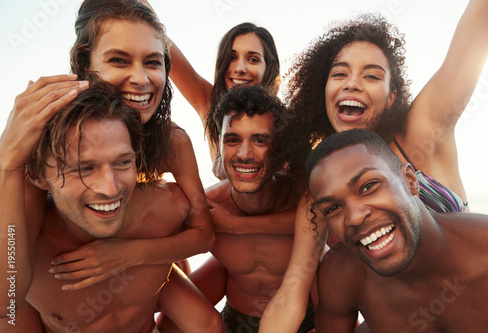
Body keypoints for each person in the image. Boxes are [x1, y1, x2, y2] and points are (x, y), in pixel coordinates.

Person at [260, 1, 488, 331]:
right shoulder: (318, 191)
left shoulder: (422, 130)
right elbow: (292, 292)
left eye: (371, 75)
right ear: (325, 92)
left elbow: (485, 15)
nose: (352, 83)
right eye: (339, 73)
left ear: (391, 97)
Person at [0, 80, 223, 333]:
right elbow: (4, 304)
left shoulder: (166, 210)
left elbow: (205, 237)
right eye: (84, 168)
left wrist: (129, 254)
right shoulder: (24, 249)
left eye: (122, 163)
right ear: (38, 176)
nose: (111, 188)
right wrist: (7, 165)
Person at [40, 0, 214, 290]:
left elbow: (205, 235)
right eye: (119, 60)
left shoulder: (173, 141)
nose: (140, 79)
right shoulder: (53, 137)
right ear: (85, 64)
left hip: (140, 271)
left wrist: (127, 255)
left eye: (152, 62)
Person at [306, 129, 488, 332]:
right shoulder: (342, 275)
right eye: (333, 208)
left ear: (409, 180)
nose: (354, 217)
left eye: (368, 186)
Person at [157, 85, 314, 332]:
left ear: (280, 147)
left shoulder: (302, 199)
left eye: (260, 140)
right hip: (237, 322)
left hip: (309, 320)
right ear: (219, 146)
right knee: (167, 324)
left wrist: (236, 225)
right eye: (232, 140)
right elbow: (155, 248)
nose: (244, 154)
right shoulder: (208, 206)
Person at [167, 21, 280, 163]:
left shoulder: (283, 124)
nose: (240, 68)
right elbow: (160, 41)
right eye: (232, 57)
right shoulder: (210, 106)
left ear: (268, 68)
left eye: (253, 59)